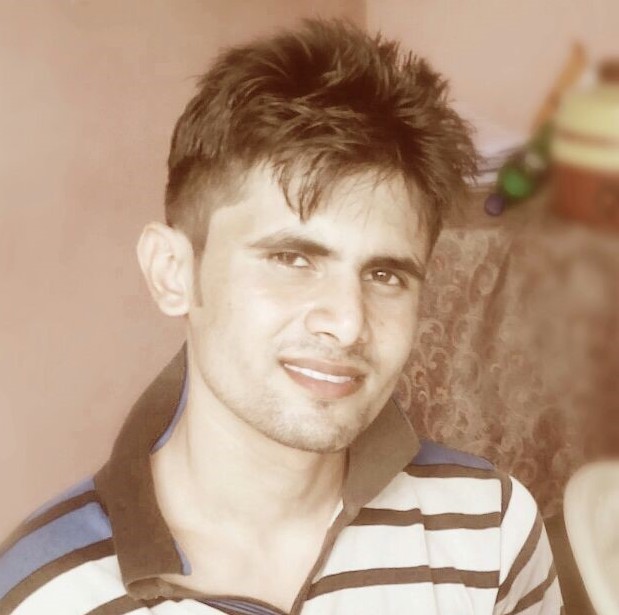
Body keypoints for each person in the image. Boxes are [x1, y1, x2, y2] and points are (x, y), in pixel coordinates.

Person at [0, 19, 562, 615]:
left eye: (384, 275)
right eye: (292, 259)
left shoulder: (491, 531)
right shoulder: (47, 595)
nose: (348, 323)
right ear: (173, 272)